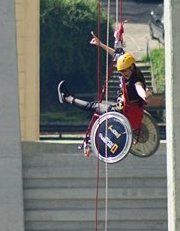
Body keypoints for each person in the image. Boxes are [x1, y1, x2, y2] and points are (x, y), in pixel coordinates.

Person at [57, 22, 149, 154]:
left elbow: (140, 89)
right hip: (121, 109)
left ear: (132, 67)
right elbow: (116, 55)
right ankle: (89, 142)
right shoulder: (130, 68)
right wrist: (100, 45)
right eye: (121, 72)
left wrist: (145, 94)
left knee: (93, 106)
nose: (124, 74)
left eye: (125, 71)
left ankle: (66, 98)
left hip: (121, 114)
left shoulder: (135, 81)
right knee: (99, 108)